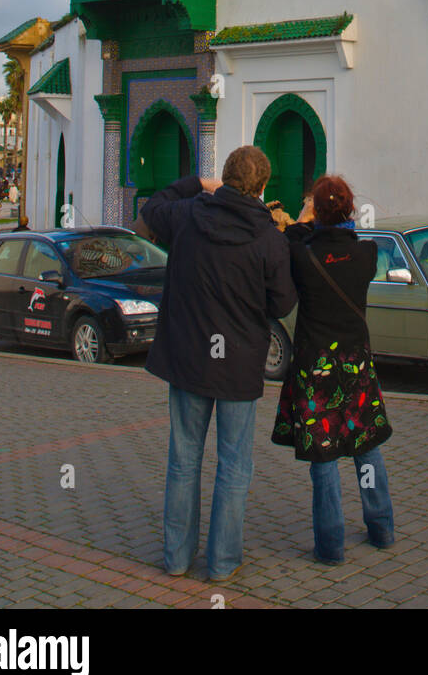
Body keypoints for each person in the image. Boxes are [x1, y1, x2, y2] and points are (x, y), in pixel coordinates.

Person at [141, 146, 295, 583]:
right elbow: (283, 302)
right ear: (262, 188)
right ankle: (224, 561)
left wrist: (195, 183)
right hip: (238, 362)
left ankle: (175, 558)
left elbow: (153, 208)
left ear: (223, 179)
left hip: (190, 357)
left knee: (183, 459)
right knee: (234, 466)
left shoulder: (190, 214)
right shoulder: (269, 238)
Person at [272, 175, 394, 564]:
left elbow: (289, 240)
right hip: (356, 363)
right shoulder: (367, 254)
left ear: (317, 212)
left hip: (315, 366)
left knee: (323, 457)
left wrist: (302, 219)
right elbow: (344, 244)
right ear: (351, 210)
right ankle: (382, 527)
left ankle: (330, 545)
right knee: (366, 446)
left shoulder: (302, 256)